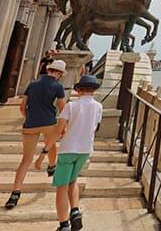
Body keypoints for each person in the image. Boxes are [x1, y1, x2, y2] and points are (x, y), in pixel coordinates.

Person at [5, 59, 66, 209]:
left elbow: (22, 106)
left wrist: (28, 117)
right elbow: (62, 107)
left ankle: (15, 193)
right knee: (51, 145)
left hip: (30, 124)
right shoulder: (58, 86)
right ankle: (51, 166)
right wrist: (62, 127)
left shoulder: (32, 85)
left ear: (48, 70)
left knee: (25, 160)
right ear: (58, 73)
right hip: (49, 122)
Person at [52, 74, 103, 231]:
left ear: (79, 90)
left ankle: (64, 224)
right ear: (94, 90)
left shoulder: (71, 106)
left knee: (61, 187)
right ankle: (75, 211)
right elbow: (97, 127)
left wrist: (46, 149)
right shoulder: (98, 106)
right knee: (73, 181)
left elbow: (59, 130)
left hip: (68, 149)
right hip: (85, 149)